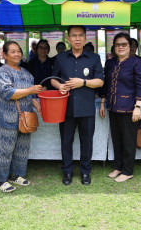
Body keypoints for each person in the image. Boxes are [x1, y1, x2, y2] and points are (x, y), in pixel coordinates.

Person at [51, 25, 104, 186]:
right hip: (65, 108)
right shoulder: (60, 58)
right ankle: (67, 171)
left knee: (86, 142)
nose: (78, 38)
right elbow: (53, 78)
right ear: (68, 38)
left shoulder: (94, 58)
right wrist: (58, 86)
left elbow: (100, 81)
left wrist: (83, 82)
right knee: (66, 141)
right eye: (74, 35)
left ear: (85, 37)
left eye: (81, 35)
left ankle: (85, 172)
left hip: (86, 108)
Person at [0, 41, 42, 193]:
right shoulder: (3, 72)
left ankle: (16, 175)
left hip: (26, 117)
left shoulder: (26, 73)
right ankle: (1, 180)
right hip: (7, 117)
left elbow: (33, 95)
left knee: (22, 148)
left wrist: (38, 106)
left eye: (19, 51)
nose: (17, 54)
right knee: (4, 149)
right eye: (12, 51)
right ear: (5, 55)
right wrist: (30, 90)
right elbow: (8, 93)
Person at [99, 33, 141, 182]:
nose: (120, 47)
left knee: (128, 140)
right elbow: (106, 83)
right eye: (118, 44)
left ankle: (128, 170)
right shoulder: (111, 63)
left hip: (130, 108)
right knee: (117, 139)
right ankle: (118, 166)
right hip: (113, 106)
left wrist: (138, 106)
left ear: (130, 46)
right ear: (114, 46)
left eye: (124, 44)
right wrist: (102, 102)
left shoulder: (136, 62)